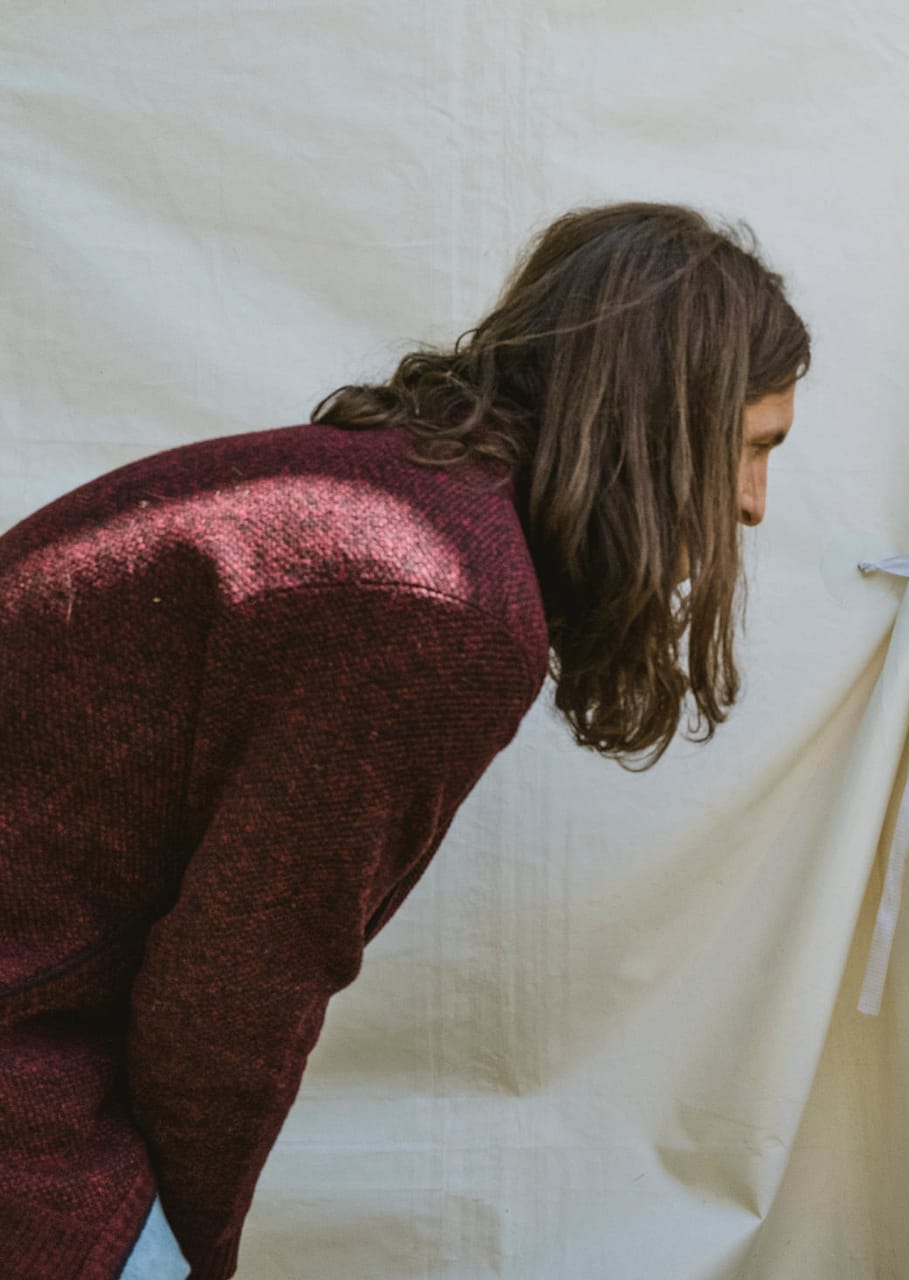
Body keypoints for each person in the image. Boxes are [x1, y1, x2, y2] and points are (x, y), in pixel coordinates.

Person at [0, 202, 810, 1280]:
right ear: (655, 421)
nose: (753, 505)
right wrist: (193, 1250)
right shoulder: (441, 598)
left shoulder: (415, 499)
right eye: (750, 450)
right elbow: (227, 1005)